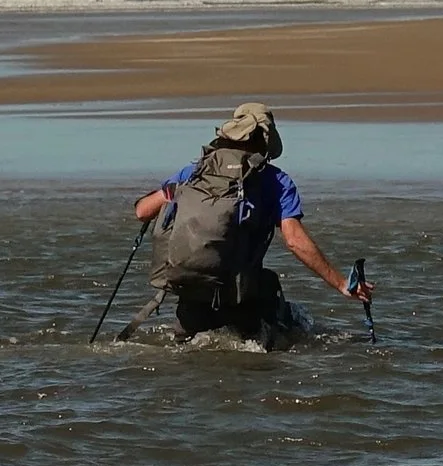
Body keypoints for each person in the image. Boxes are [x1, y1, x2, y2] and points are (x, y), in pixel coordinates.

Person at [131, 102, 373, 344]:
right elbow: (295, 241)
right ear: (265, 141)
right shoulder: (275, 182)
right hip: (244, 300)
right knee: (287, 328)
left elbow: (142, 212)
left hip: (191, 298)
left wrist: (173, 191)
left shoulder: (195, 172)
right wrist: (341, 284)